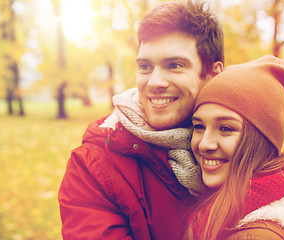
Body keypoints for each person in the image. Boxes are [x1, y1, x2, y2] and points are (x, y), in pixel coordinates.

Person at [58, 1, 224, 239]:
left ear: (213, 75)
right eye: (145, 66)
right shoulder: (93, 165)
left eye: (174, 65)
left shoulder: (241, 140)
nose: (154, 82)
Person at [187, 55, 284, 240]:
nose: (205, 144)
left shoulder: (255, 235)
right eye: (199, 126)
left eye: (226, 128)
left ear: (263, 139)